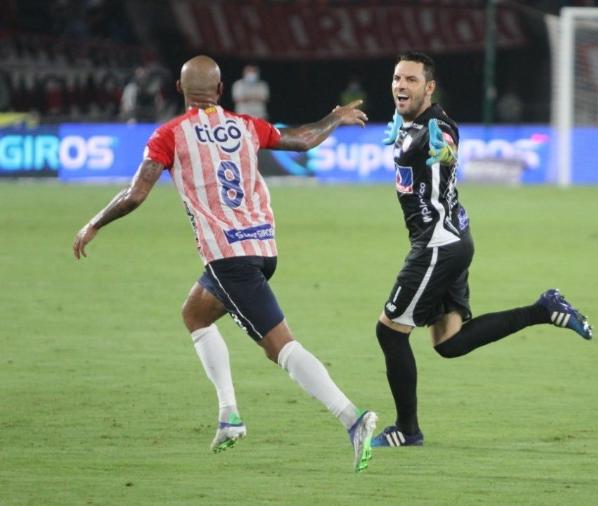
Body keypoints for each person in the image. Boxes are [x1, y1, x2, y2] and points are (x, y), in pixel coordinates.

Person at [72, 55, 378, 472]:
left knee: (282, 348)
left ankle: (353, 419)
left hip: (228, 257)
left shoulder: (169, 135)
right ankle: (229, 415)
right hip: (263, 248)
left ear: (179, 91)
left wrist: (94, 223)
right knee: (195, 313)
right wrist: (335, 117)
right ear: (219, 91)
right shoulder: (246, 126)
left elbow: (135, 193)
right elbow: (303, 140)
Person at [371, 51, 593, 448]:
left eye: (410, 80)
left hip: (437, 244)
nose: (400, 85)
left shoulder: (437, 125)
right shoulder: (410, 123)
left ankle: (407, 429)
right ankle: (544, 309)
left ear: (429, 87)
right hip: (453, 239)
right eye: (396, 78)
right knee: (449, 343)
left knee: (389, 333)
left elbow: (448, 145)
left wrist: (443, 150)